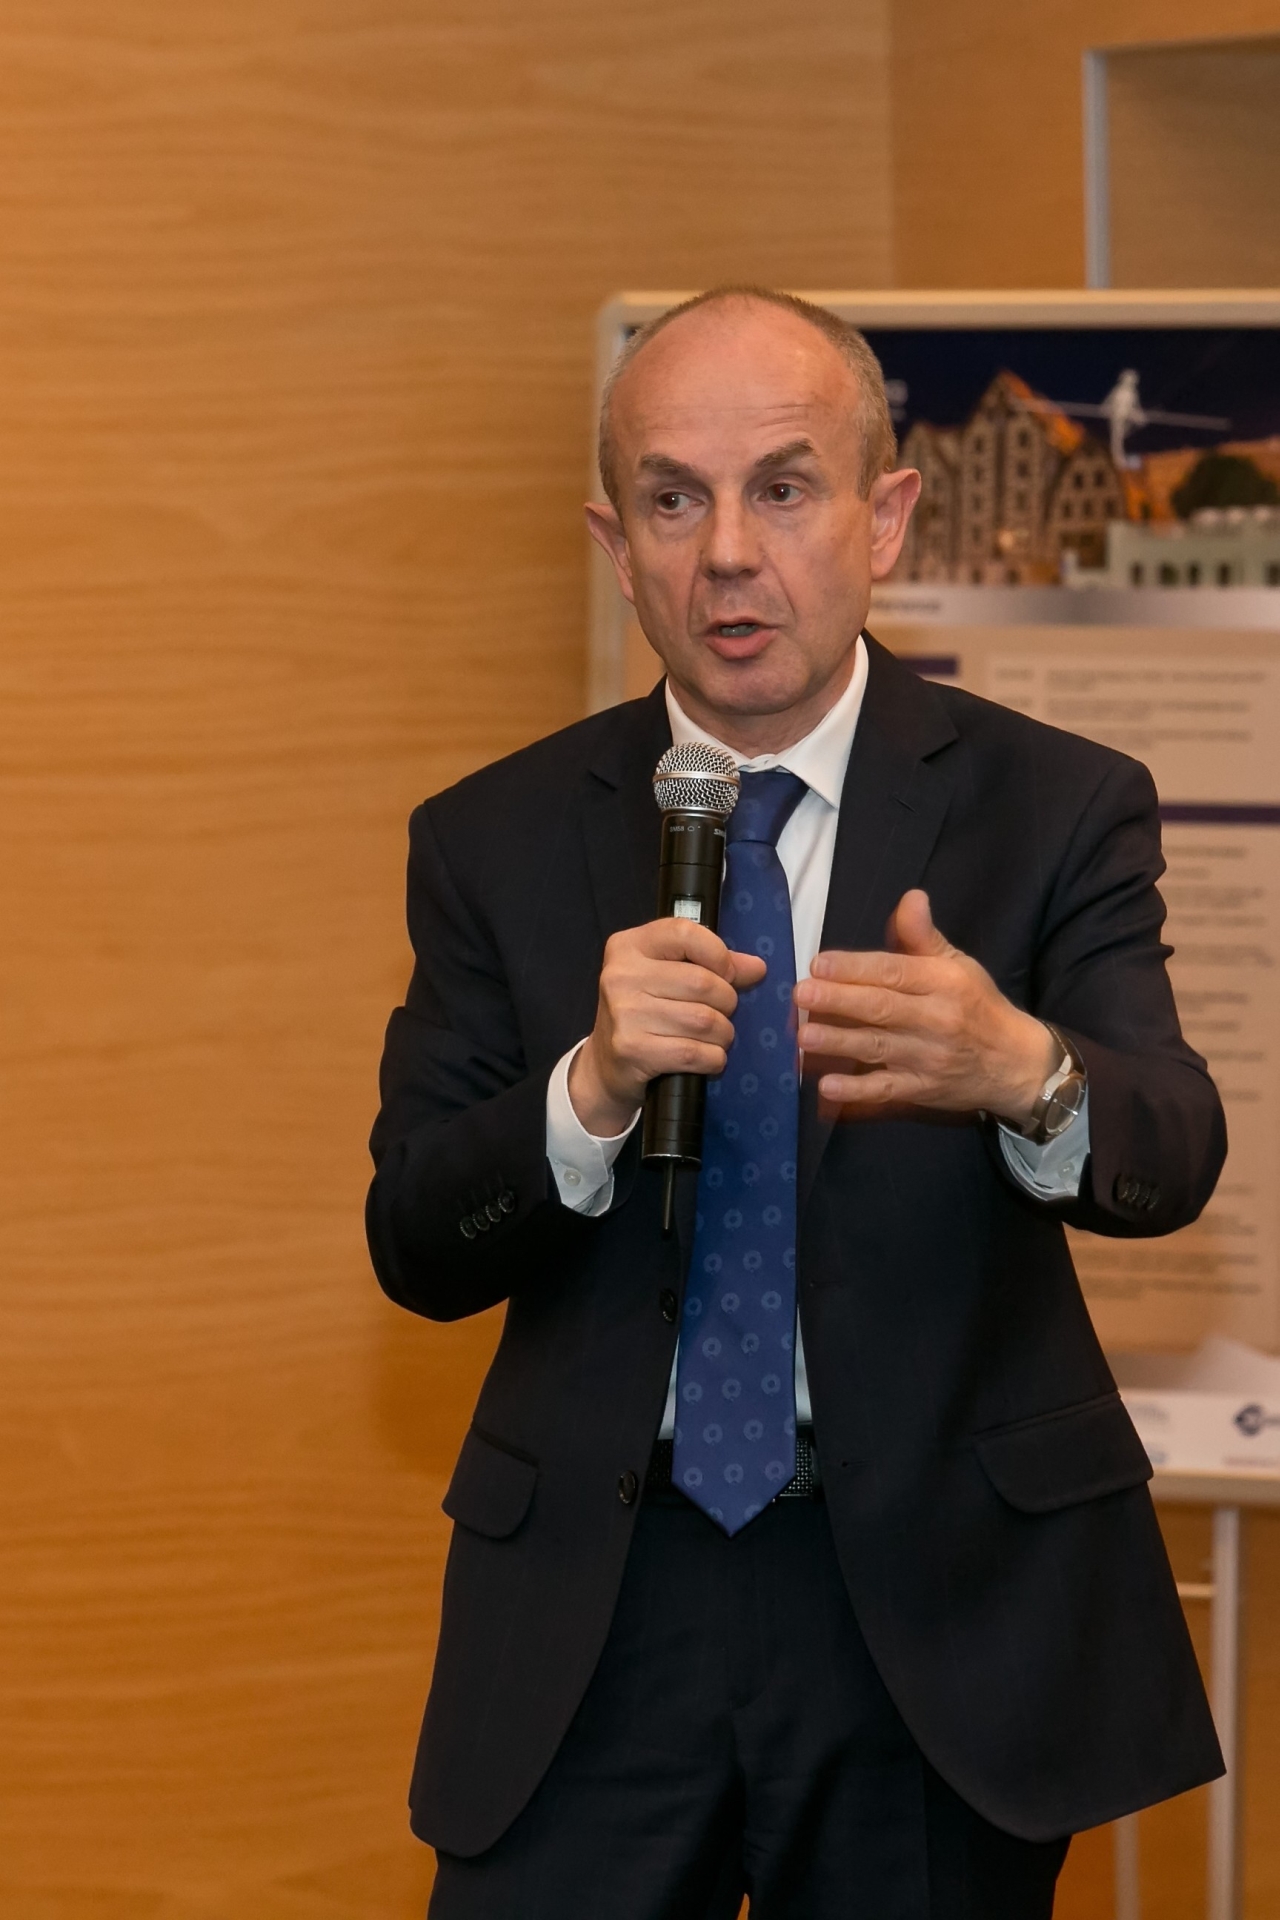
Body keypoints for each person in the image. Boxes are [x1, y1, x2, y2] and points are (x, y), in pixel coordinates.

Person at [366, 287, 1226, 1920]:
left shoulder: (1055, 805)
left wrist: (1022, 1072)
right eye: (672, 500)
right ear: (619, 549)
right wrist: (585, 1093)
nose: (727, 555)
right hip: (600, 1612)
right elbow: (414, 1237)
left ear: (883, 518)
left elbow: (1171, 1148)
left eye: (782, 488)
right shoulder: (494, 836)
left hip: (934, 1613)